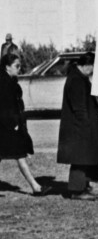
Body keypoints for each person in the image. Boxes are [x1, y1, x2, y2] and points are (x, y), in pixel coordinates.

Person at [57, 51, 98, 200]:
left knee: (85, 157)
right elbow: (79, 108)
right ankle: (77, 190)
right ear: (87, 65)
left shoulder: (79, 78)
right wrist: (85, 126)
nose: (93, 71)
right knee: (80, 157)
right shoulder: (77, 80)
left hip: (82, 125)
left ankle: (83, 186)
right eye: (93, 67)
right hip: (79, 126)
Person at [0, 53, 48, 195]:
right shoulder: (4, 83)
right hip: (7, 125)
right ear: (7, 67)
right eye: (16, 66)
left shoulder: (9, 80)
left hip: (8, 124)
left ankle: (36, 187)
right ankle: (36, 187)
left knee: (11, 155)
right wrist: (13, 123)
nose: (19, 68)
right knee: (19, 155)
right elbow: (4, 106)